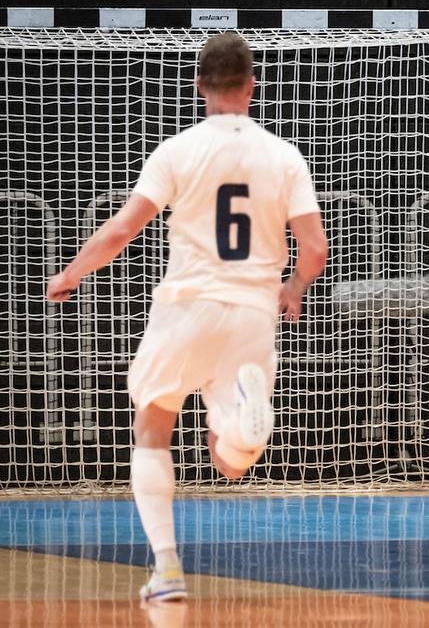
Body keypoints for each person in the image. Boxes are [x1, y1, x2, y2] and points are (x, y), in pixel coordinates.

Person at [46, 32, 328, 601]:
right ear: (253, 85)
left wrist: (72, 274)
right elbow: (316, 247)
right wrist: (293, 285)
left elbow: (124, 228)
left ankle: (168, 570)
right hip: (252, 312)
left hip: (188, 306)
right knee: (230, 464)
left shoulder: (178, 149)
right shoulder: (284, 155)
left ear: (199, 84)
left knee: (152, 427)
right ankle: (246, 430)